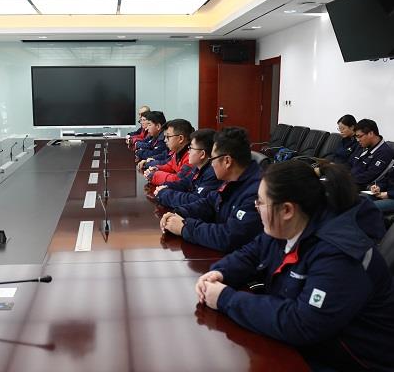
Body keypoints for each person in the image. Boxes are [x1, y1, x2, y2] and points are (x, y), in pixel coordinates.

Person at [196, 160, 394, 372]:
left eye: (260, 202)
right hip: (312, 344)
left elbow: (303, 324)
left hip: (349, 360)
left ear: (287, 209)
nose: (256, 207)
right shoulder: (290, 224)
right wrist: (221, 272)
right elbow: (252, 253)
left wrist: (225, 299)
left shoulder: (339, 253)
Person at [160, 127, 262, 252]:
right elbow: (209, 203)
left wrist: (185, 228)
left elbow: (229, 237)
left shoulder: (257, 191)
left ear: (227, 161)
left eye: (212, 159)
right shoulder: (232, 180)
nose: (211, 164)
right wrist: (179, 213)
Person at [155, 128, 222, 209]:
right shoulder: (197, 167)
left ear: (202, 154)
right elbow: (184, 183)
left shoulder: (213, 173)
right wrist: (165, 186)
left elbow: (195, 201)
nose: (188, 151)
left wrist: (165, 194)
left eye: (191, 148)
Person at [144, 119, 194, 186]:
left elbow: (179, 180)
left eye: (168, 137)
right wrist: (157, 168)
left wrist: (154, 176)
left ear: (181, 138)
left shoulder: (191, 157)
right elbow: (170, 166)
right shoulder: (177, 151)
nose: (165, 140)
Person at [349, 119, 394, 189]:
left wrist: (346, 179)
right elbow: (350, 163)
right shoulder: (362, 145)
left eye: (360, 136)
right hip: (350, 181)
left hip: (362, 187)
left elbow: (368, 177)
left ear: (371, 134)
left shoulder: (385, 152)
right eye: (356, 137)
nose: (358, 140)